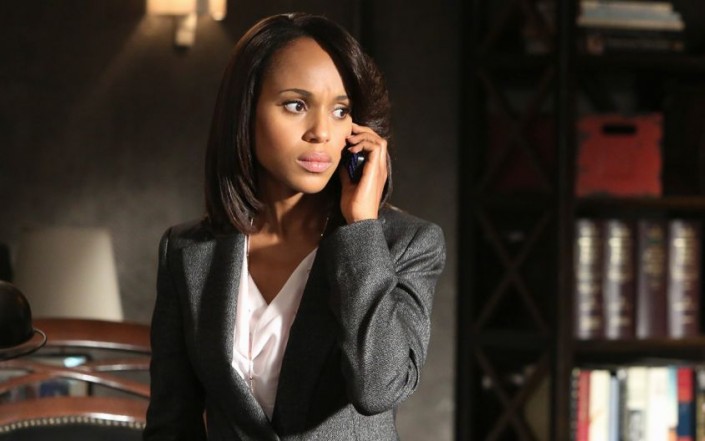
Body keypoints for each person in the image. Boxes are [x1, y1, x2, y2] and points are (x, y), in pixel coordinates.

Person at [143, 12, 446, 441]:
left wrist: (362, 226)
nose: (321, 132)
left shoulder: (405, 243)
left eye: (340, 110)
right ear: (245, 112)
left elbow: (378, 389)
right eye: (296, 105)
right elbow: (171, 425)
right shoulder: (188, 251)